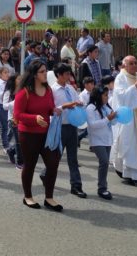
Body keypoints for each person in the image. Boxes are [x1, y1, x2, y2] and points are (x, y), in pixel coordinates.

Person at [14, 61, 63, 211]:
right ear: (34, 74)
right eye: (42, 71)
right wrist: (34, 118)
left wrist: (54, 110)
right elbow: (17, 115)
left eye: (45, 70)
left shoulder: (48, 89)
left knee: (53, 163)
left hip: (46, 134)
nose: (45, 73)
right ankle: (28, 197)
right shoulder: (24, 92)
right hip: (28, 134)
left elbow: (49, 108)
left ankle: (49, 198)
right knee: (30, 165)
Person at [111, 55, 137, 188]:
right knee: (129, 146)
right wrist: (135, 88)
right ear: (125, 65)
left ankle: (129, 174)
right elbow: (121, 96)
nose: (134, 65)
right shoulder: (121, 77)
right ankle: (134, 176)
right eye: (131, 63)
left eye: (136, 63)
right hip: (128, 119)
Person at [47, 63, 85, 198]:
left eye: (70, 73)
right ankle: (46, 174)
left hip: (72, 126)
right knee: (56, 157)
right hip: (60, 126)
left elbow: (77, 100)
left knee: (73, 158)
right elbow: (51, 109)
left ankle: (76, 186)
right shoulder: (52, 90)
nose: (69, 76)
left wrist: (79, 103)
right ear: (59, 75)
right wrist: (64, 106)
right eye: (67, 74)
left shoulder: (70, 88)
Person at [85, 86, 117, 199]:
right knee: (104, 162)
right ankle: (102, 188)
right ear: (98, 96)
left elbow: (113, 123)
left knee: (105, 164)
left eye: (107, 95)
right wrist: (108, 118)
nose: (107, 97)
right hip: (97, 140)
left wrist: (114, 117)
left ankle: (103, 186)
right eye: (105, 95)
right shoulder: (91, 108)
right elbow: (93, 125)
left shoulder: (106, 107)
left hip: (107, 139)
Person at [2, 74, 22, 168]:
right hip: (12, 119)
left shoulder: (23, 90)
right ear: (14, 80)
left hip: (22, 118)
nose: (20, 80)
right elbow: (4, 106)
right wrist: (15, 102)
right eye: (18, 79)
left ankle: (11, 151)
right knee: (19, 141)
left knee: (22, 141)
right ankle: (20, 162)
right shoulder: (8, 92)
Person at [0, 66, 12, 156]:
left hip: (11, 106)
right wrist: (9, 90)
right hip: (1, 106)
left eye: (8, 72)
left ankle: (7, 141)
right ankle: (5, 145)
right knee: (4, 127)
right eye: (5, 72)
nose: (7, 74)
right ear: (0, 74)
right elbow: (2, 96)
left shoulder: (10, 82)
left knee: (12, 126)